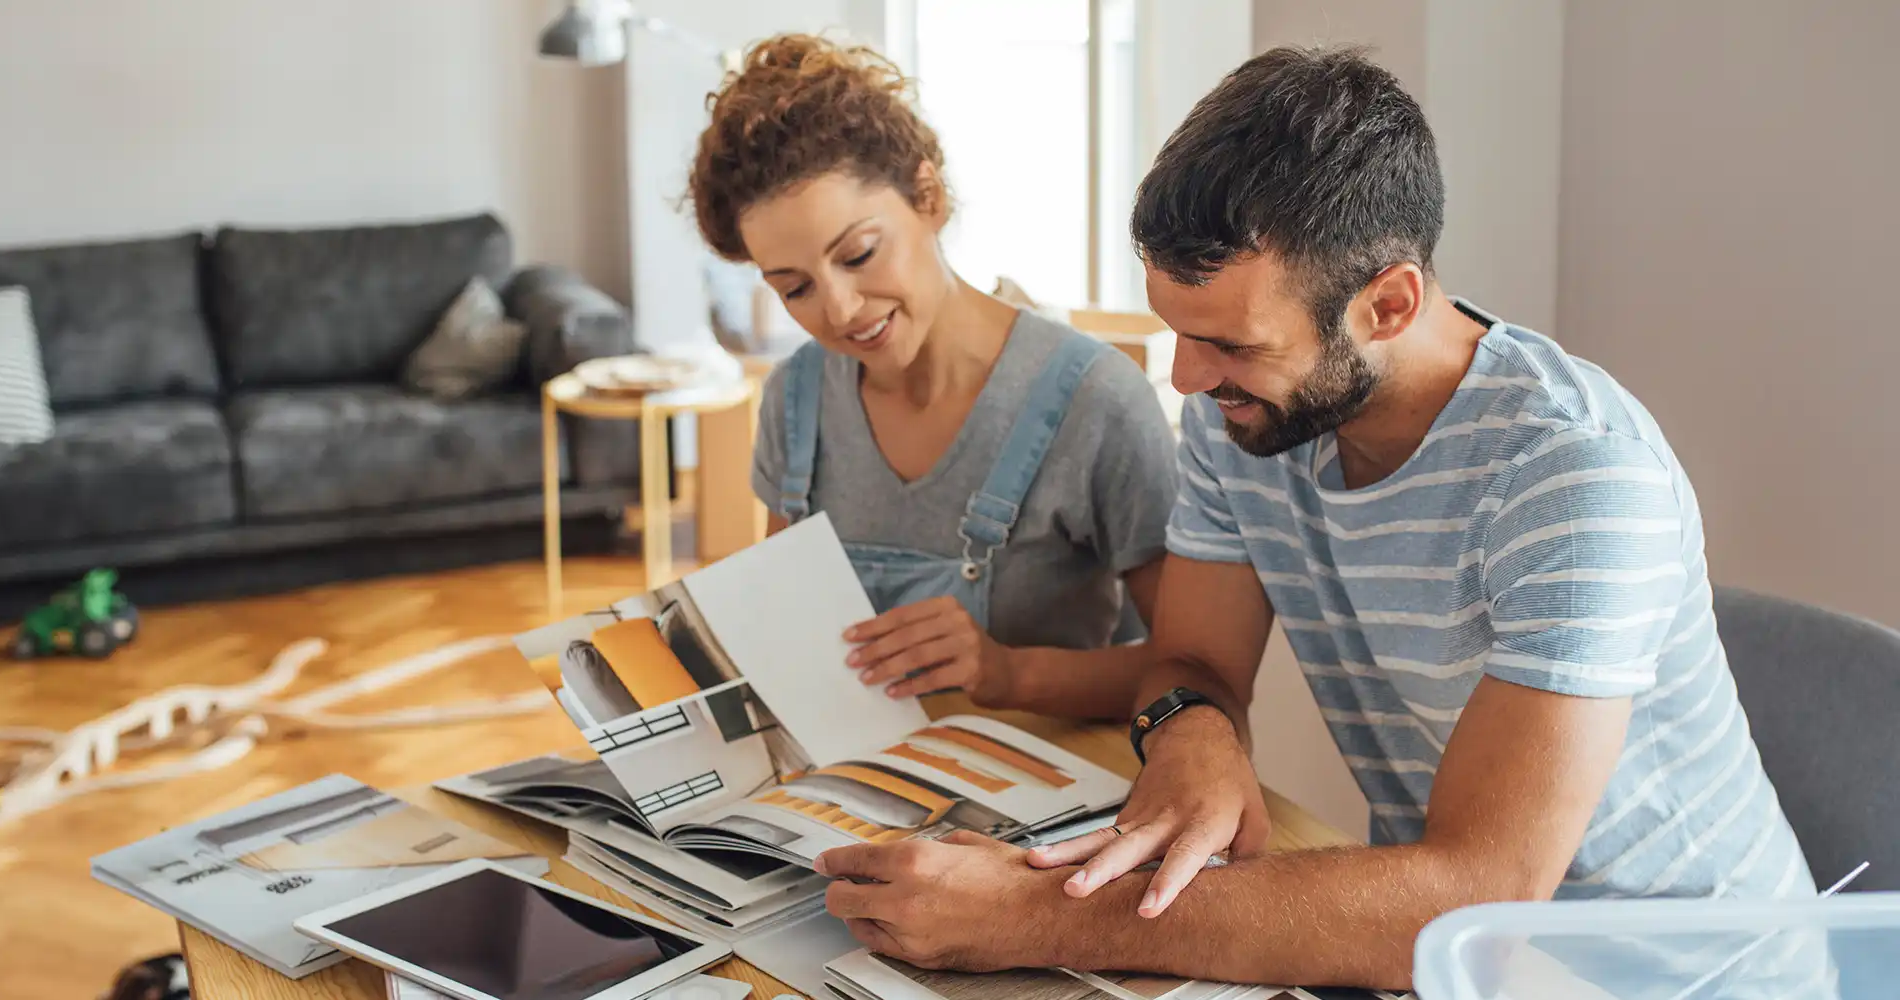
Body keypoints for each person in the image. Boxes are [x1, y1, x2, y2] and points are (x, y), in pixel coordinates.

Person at [812, 45, 1817, 992]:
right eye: (1176, 332)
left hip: (1674, 978)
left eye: (1230, 345)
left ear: (1386, 304)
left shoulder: (1575, 477)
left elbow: (1480, 899)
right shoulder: (1240, 414)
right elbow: (1189, 665)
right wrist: (1193, 734)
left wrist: (1036, 917)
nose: (1185, 377)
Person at [686, 34, 1178, 719]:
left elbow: (1195, 674)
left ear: (928, 197)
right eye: (795, 288)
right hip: (853, 800)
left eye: (858, 254)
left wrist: (1006, 673)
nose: (840, 311)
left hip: (1046, 805)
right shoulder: (795, 402)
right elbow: (791, 638)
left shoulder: (1096, 405)